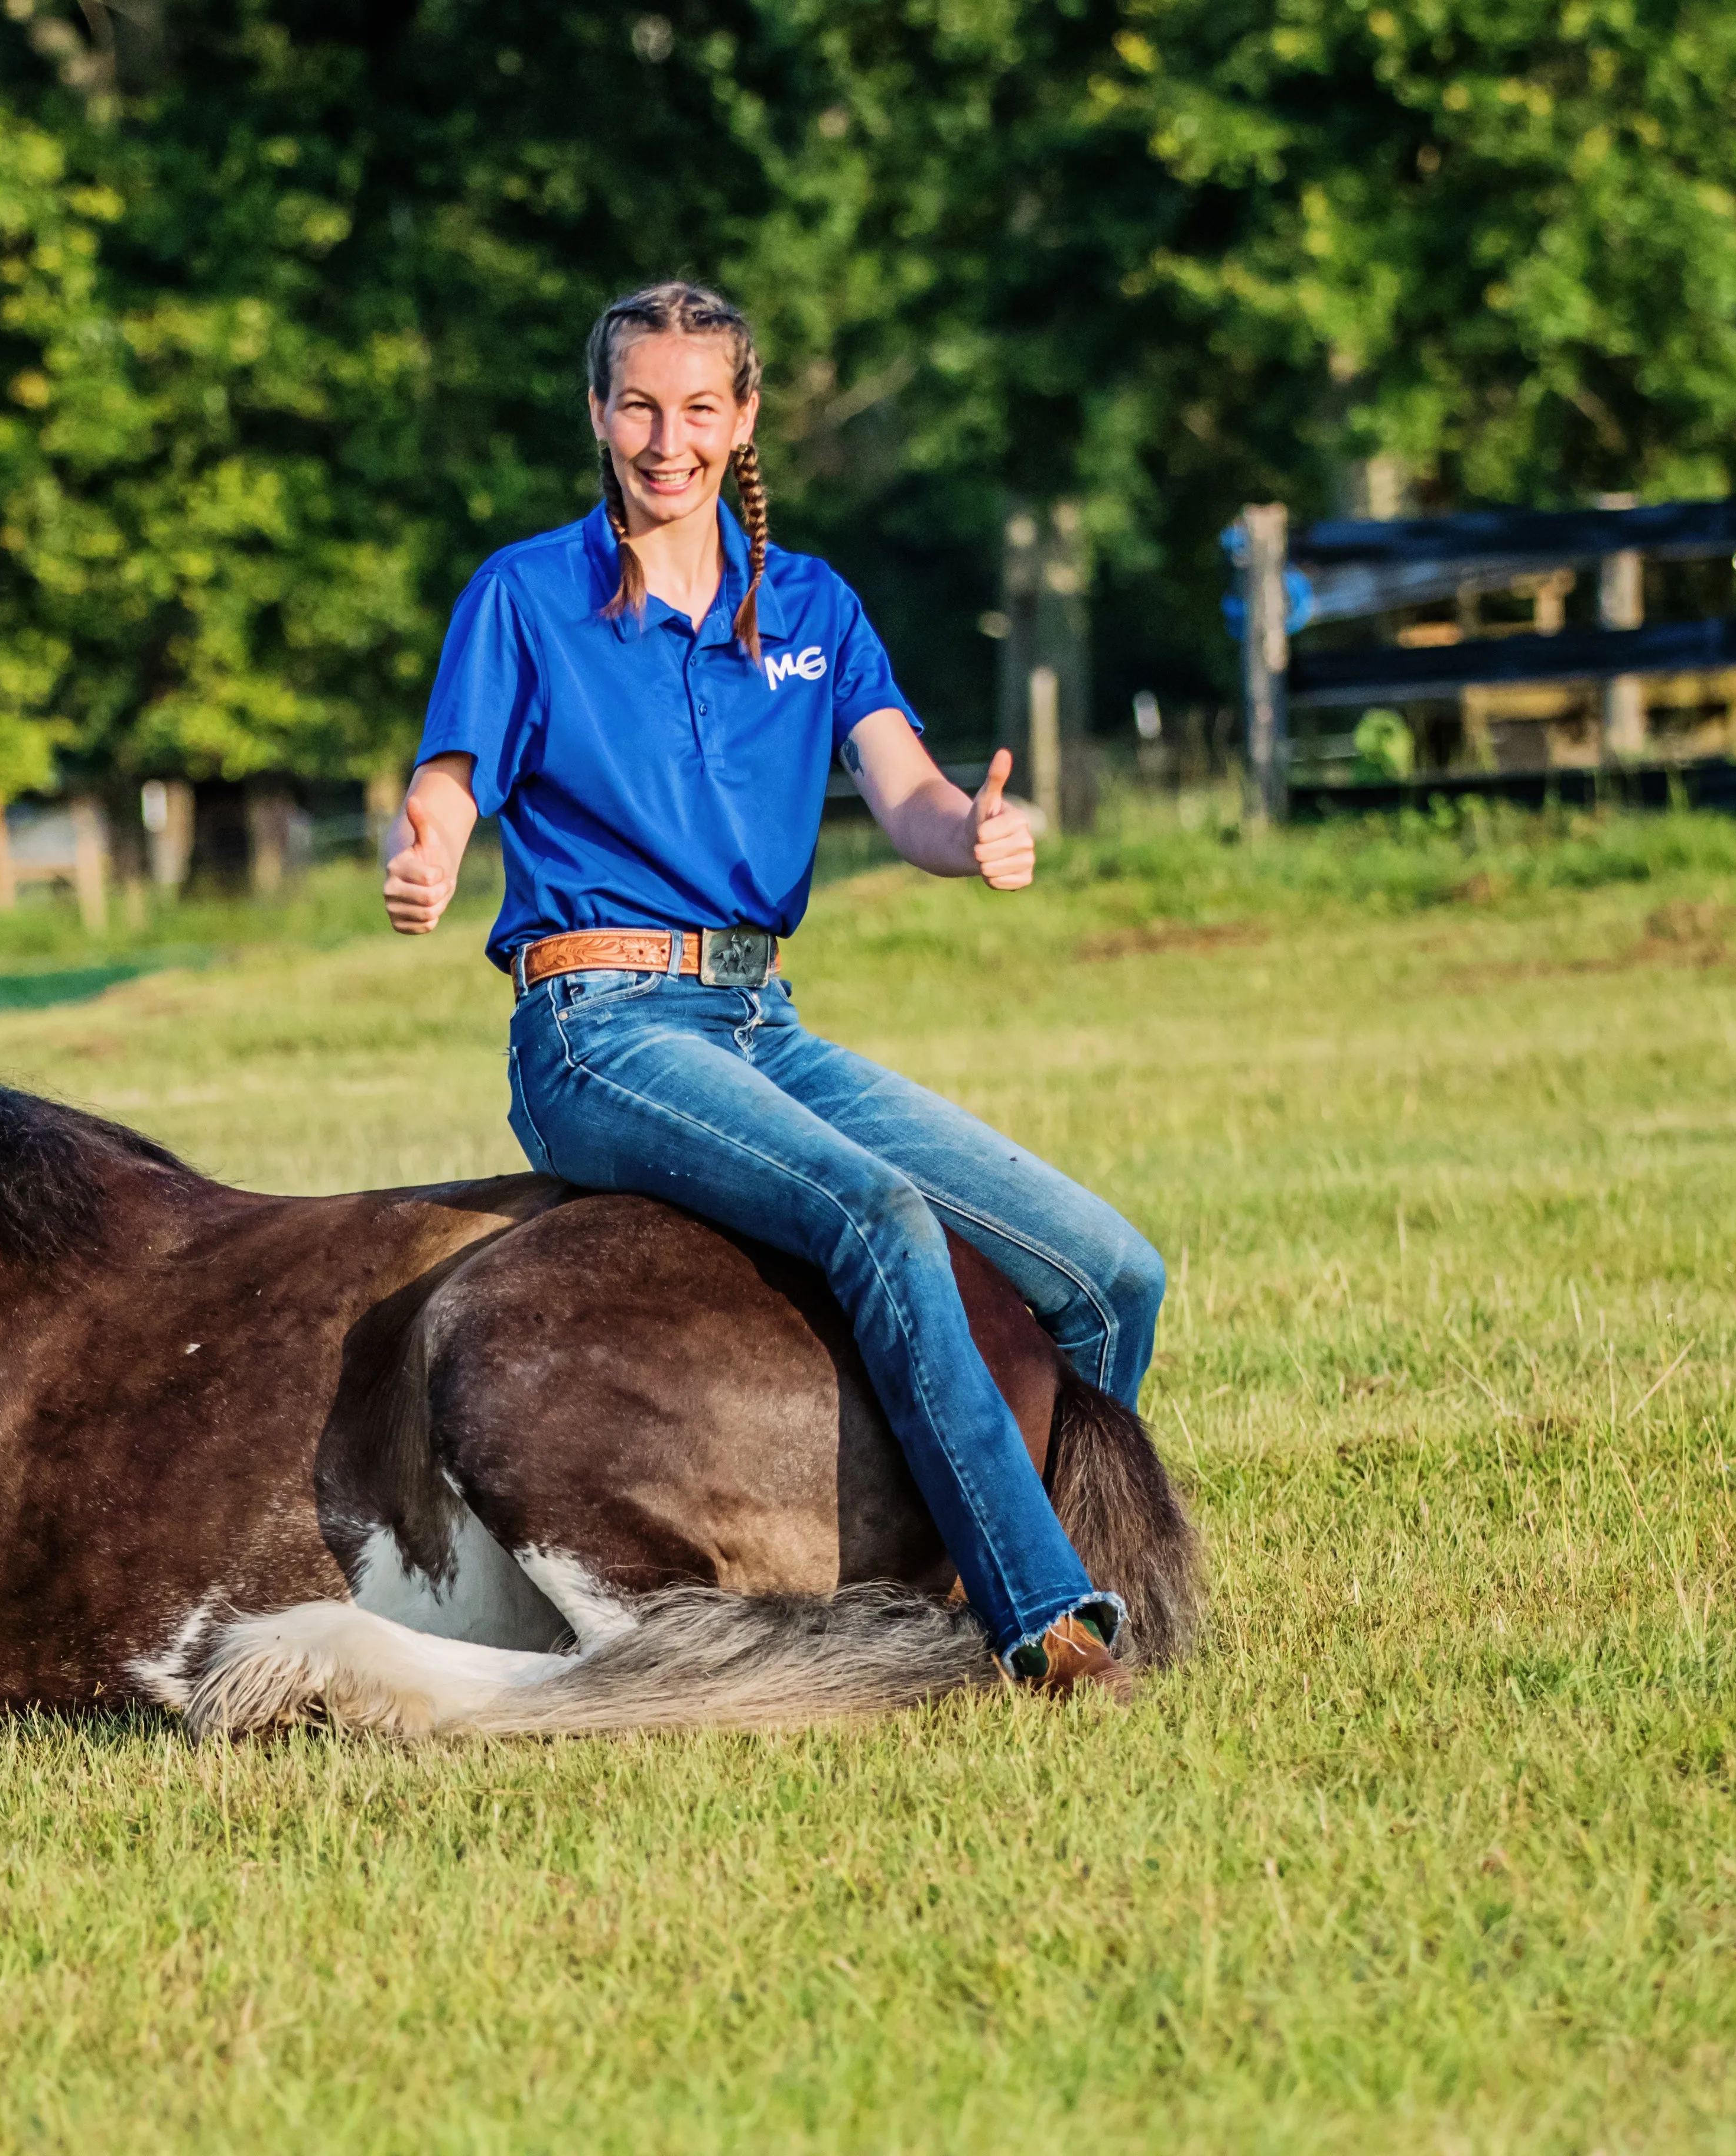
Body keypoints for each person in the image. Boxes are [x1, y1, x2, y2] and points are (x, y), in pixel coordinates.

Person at [381, 281, 1165, 1696]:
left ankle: (1002, 1550)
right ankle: (1041, 1620)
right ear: (598, 414)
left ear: (742, 420)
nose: (663, 439)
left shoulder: (808, 606)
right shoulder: (526, 595)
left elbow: (907, 790)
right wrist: (424, 852)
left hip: (761, 1021)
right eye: (636, 405)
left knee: (1110, 1273)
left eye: (696, 408)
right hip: (597, 1021)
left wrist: (971, 836)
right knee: (877, 1215)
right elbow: (447, 784)